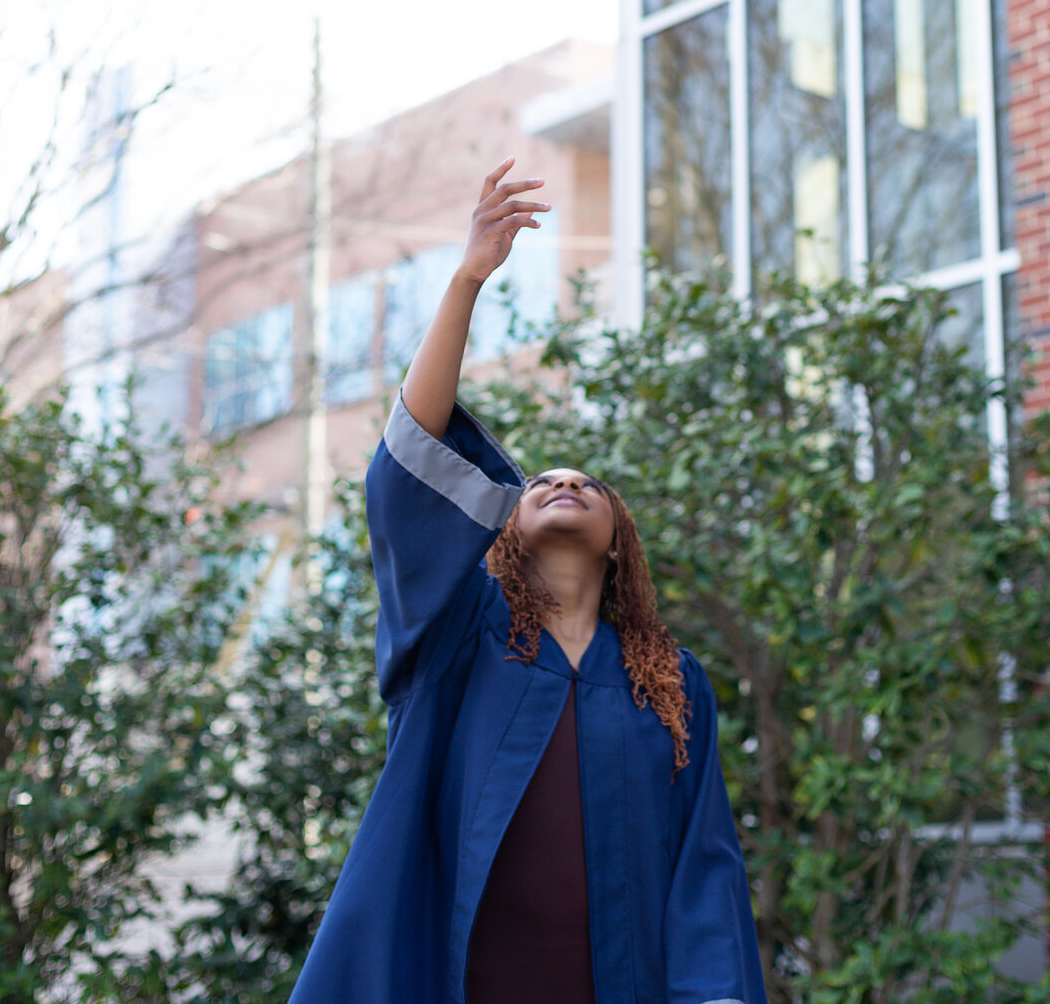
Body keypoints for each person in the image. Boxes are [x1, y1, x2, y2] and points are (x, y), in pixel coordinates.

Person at [287, 160, 767, 1004]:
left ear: (620, 543)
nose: (564, 482)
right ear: (501, 533)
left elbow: (705, 861)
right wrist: (467, 280)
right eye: (541, 481)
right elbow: (407, 481)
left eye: (588, 482)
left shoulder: (671, 682)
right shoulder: (459, 642)